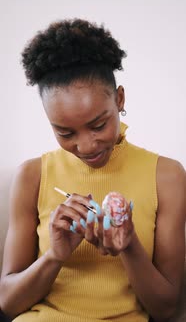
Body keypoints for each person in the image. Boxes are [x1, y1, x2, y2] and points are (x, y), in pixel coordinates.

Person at [0, 18, 185, 322]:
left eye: (98, 125)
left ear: (120, 99)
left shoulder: (166, 176)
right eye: (65, 133)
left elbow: (166, 310)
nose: (86, 147)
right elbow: (8, 303)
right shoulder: (31, 176)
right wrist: (55, 255)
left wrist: (129, 246)